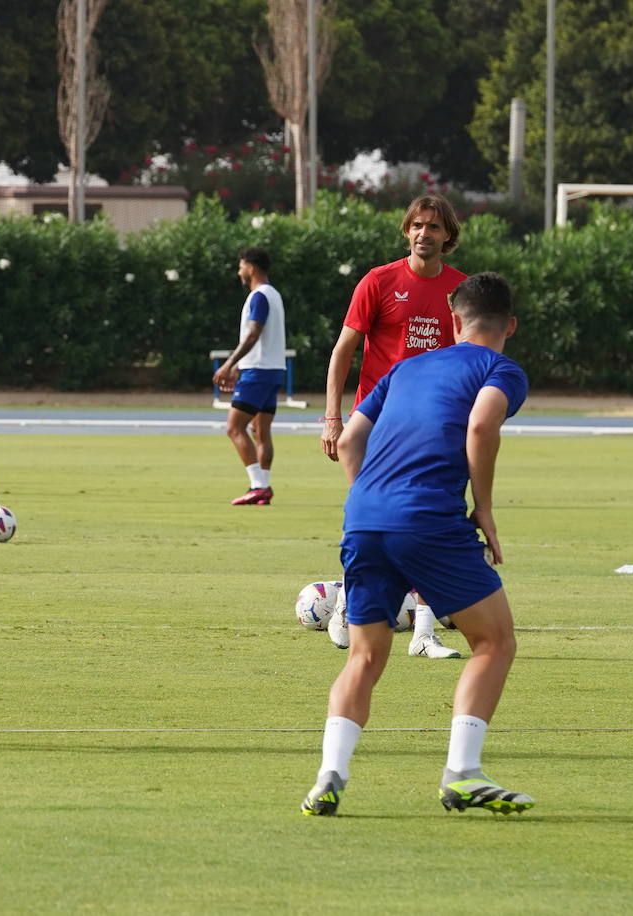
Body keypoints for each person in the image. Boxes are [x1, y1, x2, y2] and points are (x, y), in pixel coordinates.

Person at [301, 271, 534, 818]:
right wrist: (486, 509)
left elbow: (351, 438)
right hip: (428, 518)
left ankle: (329, 776)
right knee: (494, 641)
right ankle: (462, 774)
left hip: (362, 516)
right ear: (512, 325)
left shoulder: (405, 367)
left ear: (454, 321)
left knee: (365, 655)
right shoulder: (502, 369)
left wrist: (372, 502)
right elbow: (480, 427)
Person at [322, 193, 467, 659]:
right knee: (368, 519)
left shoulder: (460, 292)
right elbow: (343, 352)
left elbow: (468, 359)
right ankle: (350, 599)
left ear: (448, 236)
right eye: (417, 225)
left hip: (432, 427)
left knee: (430, 521)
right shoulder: (378, 281)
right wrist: (332, 418)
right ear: (407, 230)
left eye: (434, 227)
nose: (425, 233)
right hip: (374, 425)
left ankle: (424, 632)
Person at [212, 247, 285, 506]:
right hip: (274, 370)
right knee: (260, 430)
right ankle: (263, 486)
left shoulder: (259, 296)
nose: (239, 271)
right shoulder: (274, 294)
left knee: (234, 427)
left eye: (241, 266)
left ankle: (258, 485)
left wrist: (229, 364)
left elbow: (253, 334)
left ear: (251, 268)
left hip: (258, 371)